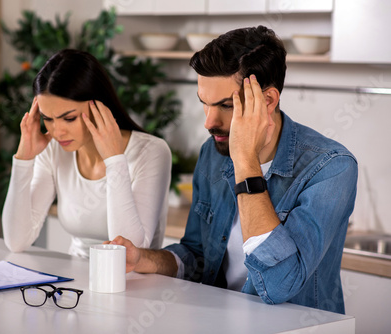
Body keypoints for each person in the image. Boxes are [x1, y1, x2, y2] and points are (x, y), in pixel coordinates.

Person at [107, 26, 358, 314]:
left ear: (267, 100)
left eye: (226, 105)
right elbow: (197, 255)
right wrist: (143, 259)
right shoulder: (213, 153)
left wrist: (245, 161)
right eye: (205, 104)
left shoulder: (331, 167)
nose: (209, 122)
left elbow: (280, 284)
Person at [2, 49, 172, 258]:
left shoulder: (151, 151)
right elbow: (16, 241)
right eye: (48, 118)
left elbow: (128, 252)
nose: (57, 131)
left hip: (135, 285)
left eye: (69, 118)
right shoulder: (54, 149)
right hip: (76, 281)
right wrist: (23, 160)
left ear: (100, 106)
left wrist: (114, 160)